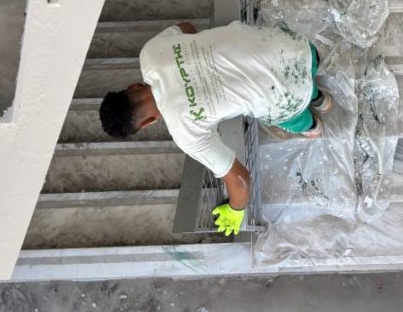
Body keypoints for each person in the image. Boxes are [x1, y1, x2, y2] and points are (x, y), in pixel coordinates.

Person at [99, 20, 332, 237]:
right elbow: (186, 26)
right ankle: (317, 96)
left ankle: (314, 124)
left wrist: (235, 210)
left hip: (288, 95)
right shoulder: (150, 53)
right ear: (133, 86)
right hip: (295, 46)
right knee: (298, 70)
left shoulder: (185, 132)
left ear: (146, 123)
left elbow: (240, 180)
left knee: (292, 115)